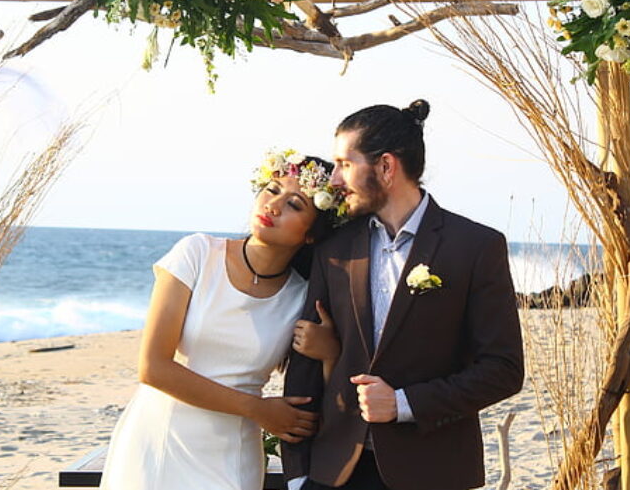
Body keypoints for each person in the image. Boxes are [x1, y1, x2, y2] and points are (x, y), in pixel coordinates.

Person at [283, 101, 525, 490]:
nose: (336, 180)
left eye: (345, 163)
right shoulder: (334, 249)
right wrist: (297, 476)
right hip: (335, 472)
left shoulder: (476, 246)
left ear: (385, 167)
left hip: (432, 472)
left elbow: (503, 370)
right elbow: (305, 374)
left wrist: (402, 404)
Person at [99, 150, 346, 490]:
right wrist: (257, 409)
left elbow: (328, 397)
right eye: (272, 190)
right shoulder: (197, 254)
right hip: (157, 441)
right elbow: (152, 367)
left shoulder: (302, 298)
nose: (273, 206)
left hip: (232, 458)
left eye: (294, 204)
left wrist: (330, 353)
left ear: (312, 235)